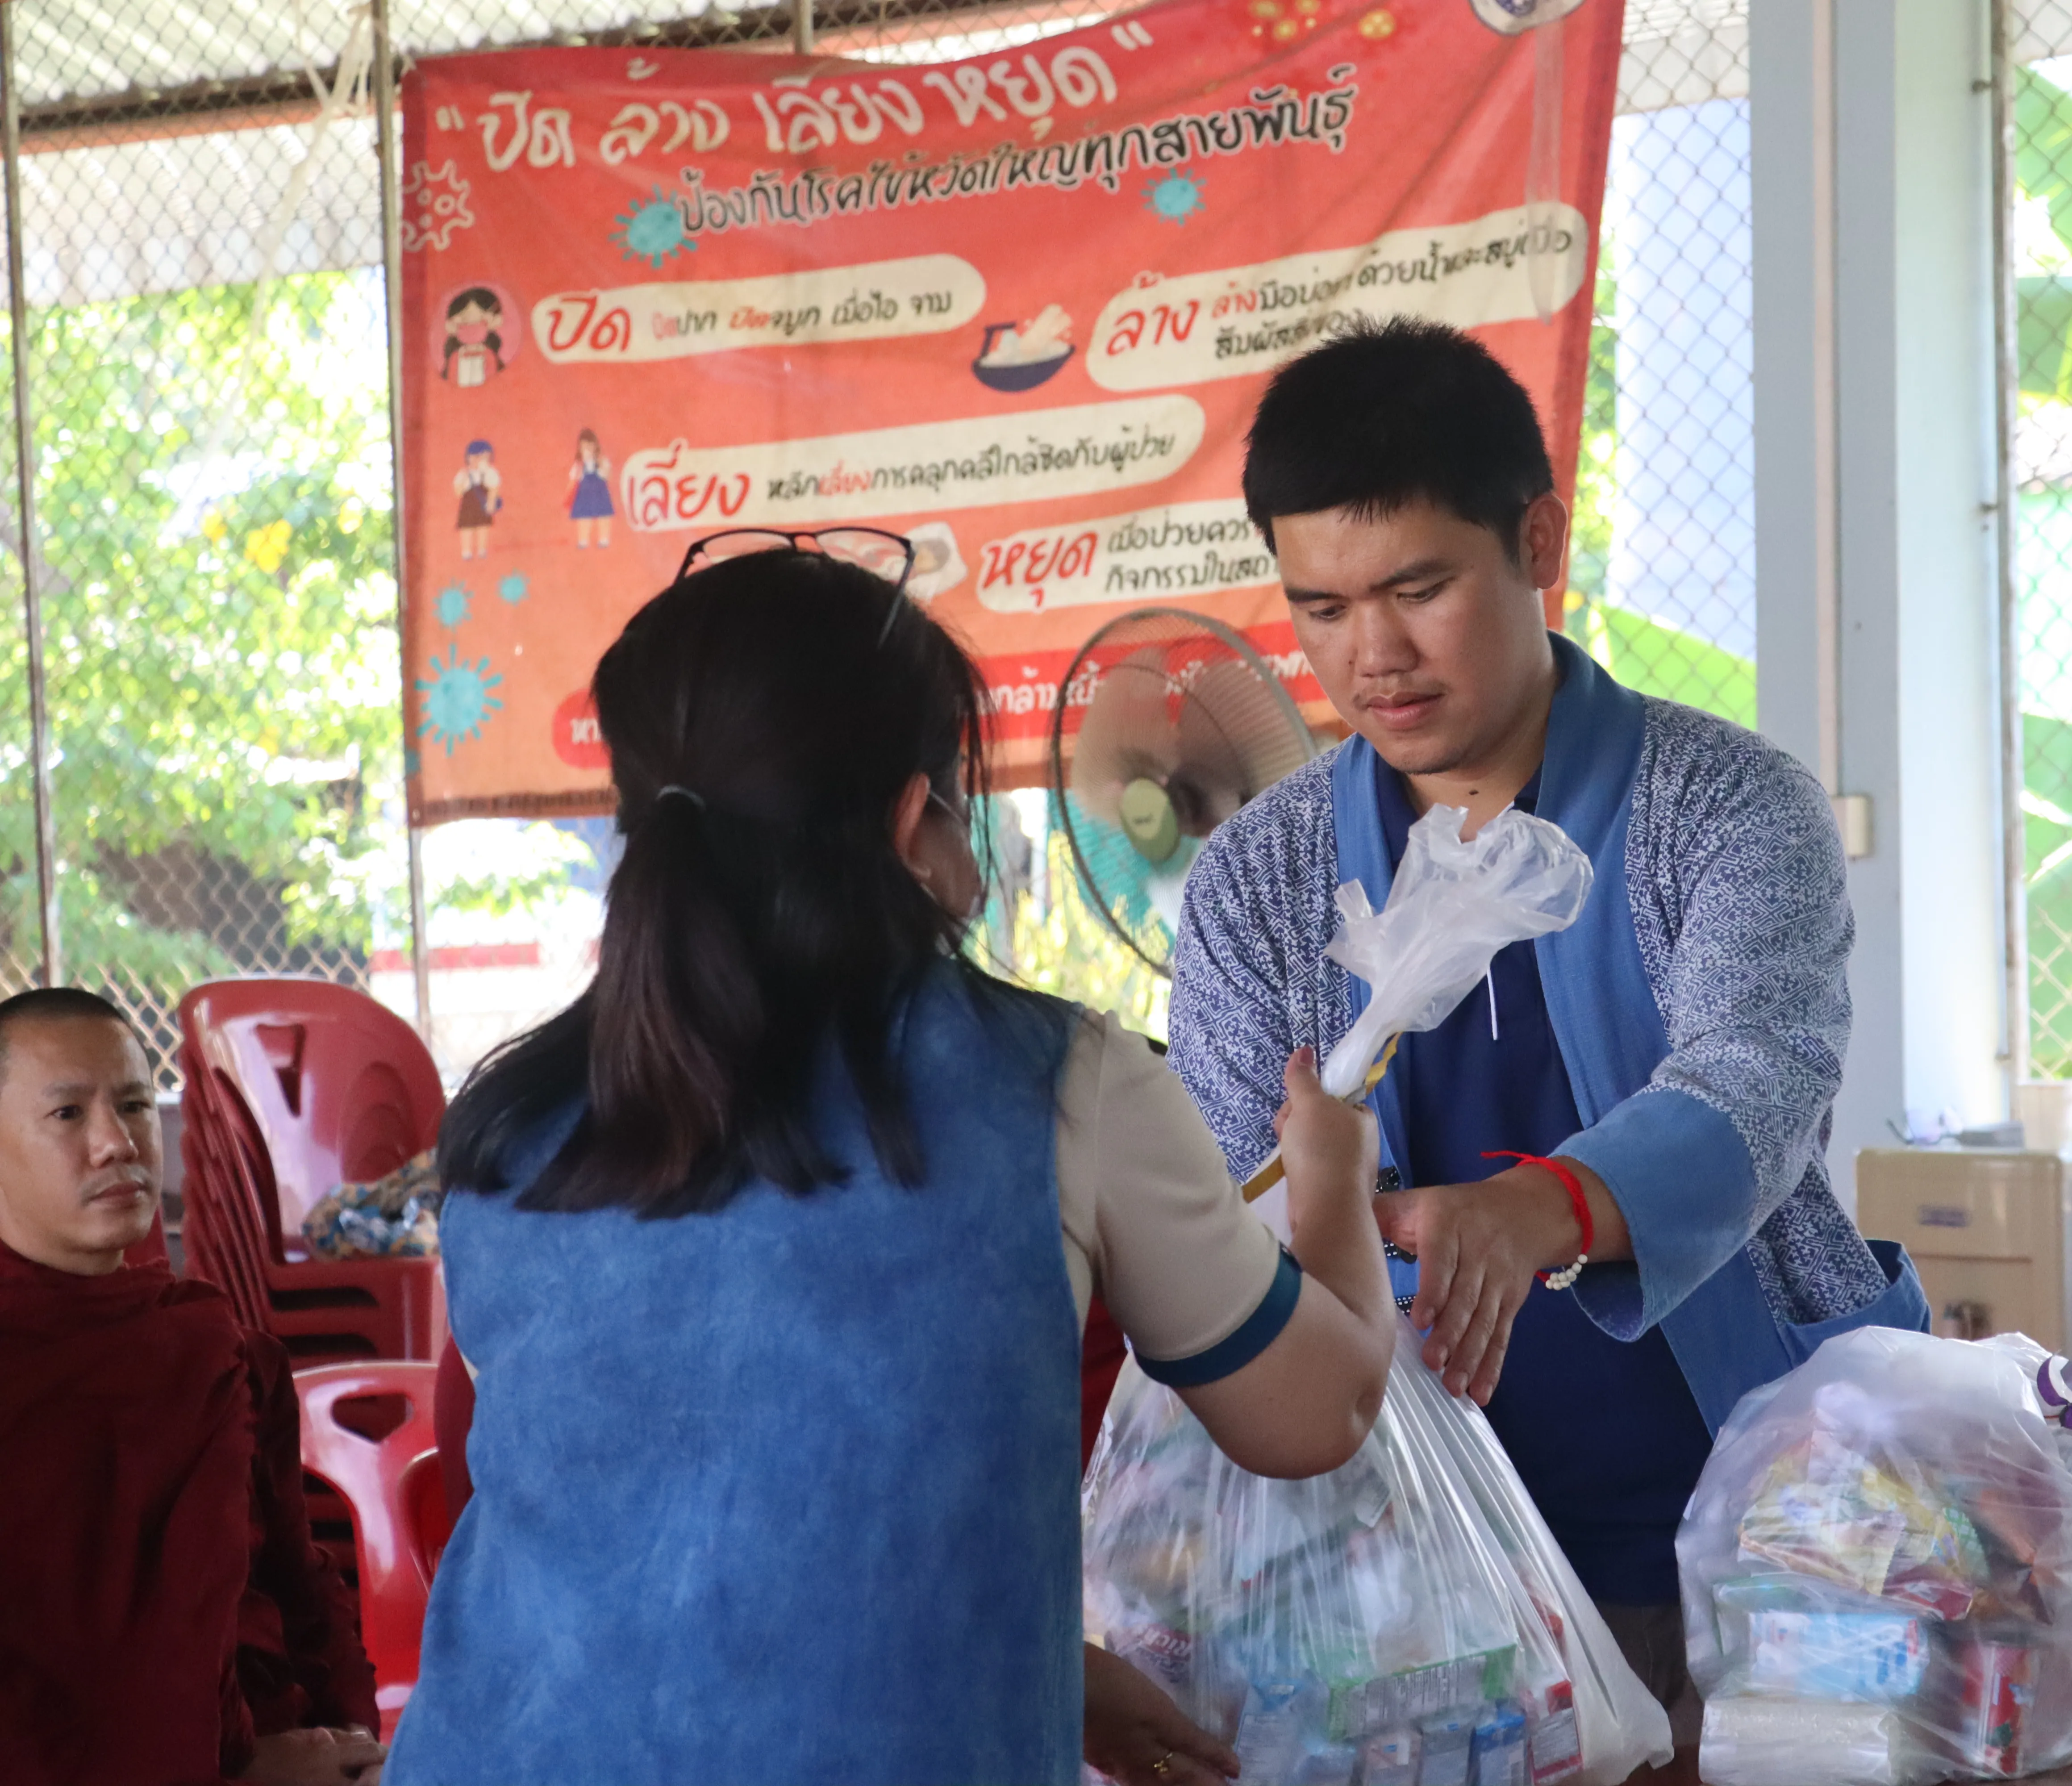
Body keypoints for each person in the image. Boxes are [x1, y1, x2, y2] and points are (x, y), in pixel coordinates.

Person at [385, 540, 1396, 1786]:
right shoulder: (1065, 1084)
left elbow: (663, 1530)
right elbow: (1319, 1413)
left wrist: (1047, 1668)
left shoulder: (509, 1130)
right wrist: (1334, 1184)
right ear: (918, 820)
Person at [1168, 319, 1932, 1775]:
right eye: (1321, 608)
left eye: (1419, 589)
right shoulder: (1261, 883)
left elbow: (1759, 1085)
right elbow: (1227, 1203)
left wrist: (1532, 1213)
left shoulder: (1729, 809)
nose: (1371, 658)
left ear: (1537, 539)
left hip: (1752, 1528)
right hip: (1406, 1585)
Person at [0, 987, 383, 1786]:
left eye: (135, 1104)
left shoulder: (220, 1349)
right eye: (68, 1115)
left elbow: (298, 1579)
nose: (118, 1143)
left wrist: (348, 1735)